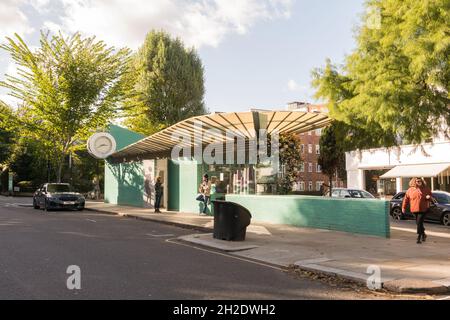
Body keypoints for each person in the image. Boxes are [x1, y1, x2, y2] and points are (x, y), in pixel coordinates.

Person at [402, 177, 433, 244]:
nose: (419, 182)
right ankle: (424, 234)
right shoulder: (410, 190)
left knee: (419, 222)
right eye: (417, 181)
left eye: (420, 181)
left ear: (422, 182)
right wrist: (403, 207)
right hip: (414, 209)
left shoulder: (426, 189)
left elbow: (431, 197)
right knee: (419, 223)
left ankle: (419, 237)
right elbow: (406, 199)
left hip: (423, 209)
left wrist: (429, 197)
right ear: (414, 182)